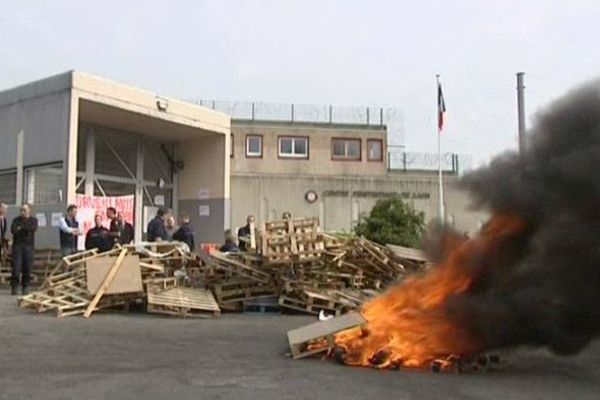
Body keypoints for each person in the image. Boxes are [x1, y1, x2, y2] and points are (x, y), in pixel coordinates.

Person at [10, 204, 37, 295]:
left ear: (29, 210)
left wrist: (21, 228)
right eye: (21, 210)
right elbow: (14, 230)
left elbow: (32, 228)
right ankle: (15, 286)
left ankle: (25, 286)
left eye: (24, 210)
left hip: (29, 247)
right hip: (17, 246)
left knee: (27, 267)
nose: (22, 212)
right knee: (16, 267)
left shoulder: (33, 220)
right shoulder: (16, 220)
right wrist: (24, 229)